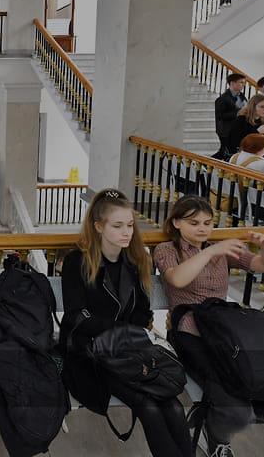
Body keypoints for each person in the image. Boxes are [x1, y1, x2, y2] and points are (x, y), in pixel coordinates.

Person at [154, 195, 264, 456]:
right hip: (190, 333)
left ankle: (214, 415)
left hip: (227, 332)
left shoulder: (219, 250)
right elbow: (177, 279)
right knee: (237, 410)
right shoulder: (167, 250)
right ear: (176, 223)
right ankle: (218, 432)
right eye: (194, 223)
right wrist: (211, 251)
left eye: (208, 223)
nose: (203, 229)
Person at [59, 189, 192, 457]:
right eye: (117, 225)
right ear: (99, 226)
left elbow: (142, 313)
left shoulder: (135, 261)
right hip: (90, 355)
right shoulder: (78, 261)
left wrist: (135, 331)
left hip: (129, 352)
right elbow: (77, 316)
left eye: (130, 225)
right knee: (149, 407)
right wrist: (121, 330)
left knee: (174, 406)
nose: (127, 232)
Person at [226, 93, 264, 158]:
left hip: (259, 154)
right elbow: (233, 142)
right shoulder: (241, 119)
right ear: (253, 106)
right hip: (242, 155)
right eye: (262, 107)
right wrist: (257, 131)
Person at [213, 74, 248, 159]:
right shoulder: (222, 99)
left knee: (224, 152)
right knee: (227, 152)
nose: (243, 85)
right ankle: (205, 163)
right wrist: (238, 113)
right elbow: (220, 116)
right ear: (232, 83)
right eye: (241, 82)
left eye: (244, 83)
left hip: (238, 129)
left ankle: (205, 163)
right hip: (226, 131)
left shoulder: (242, 96)